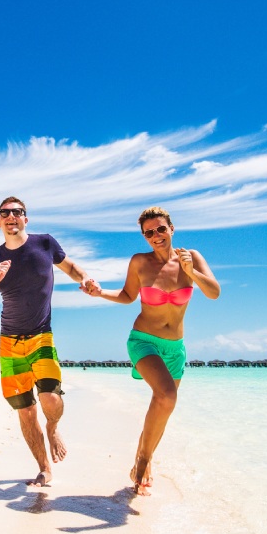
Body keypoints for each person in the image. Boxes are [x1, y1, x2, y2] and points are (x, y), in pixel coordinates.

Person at [84, 206, 219, 495]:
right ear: (144, 237)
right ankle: (143, 462)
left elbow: (214, 292)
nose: (155, 236)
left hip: (175, 348)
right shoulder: (140, 262)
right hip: (143, 340)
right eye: (149, 233)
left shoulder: (191, 257)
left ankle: (143, 460)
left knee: (164, 407)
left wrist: (190, 271)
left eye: (160, 229)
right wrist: (99, 293)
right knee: (166, 395)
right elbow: (127, 296)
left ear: (171, 228)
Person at [0, 196, 95, 487]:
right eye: (5, 213)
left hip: (42, 334)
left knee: (50, 399)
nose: (11, 216)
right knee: (26, 410)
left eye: (17, 212)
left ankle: (53, 427)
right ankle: (44, 468)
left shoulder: (44, 244)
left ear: (25, 219)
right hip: (9, 342)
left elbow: (70, 267)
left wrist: (86, 279)